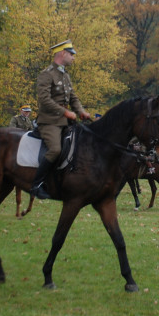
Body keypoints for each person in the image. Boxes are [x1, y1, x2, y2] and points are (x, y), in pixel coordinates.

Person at [31, 39, 91, 199]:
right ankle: (36, 185)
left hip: (65, 122)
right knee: (55, 149)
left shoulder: (65, 76)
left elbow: (73, 98)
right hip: (49, 121)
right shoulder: (46, 74)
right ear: (62, 53)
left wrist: (81, 112)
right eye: (71, 54)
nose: (73, 57)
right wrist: (65, 112)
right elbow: (44, 99)